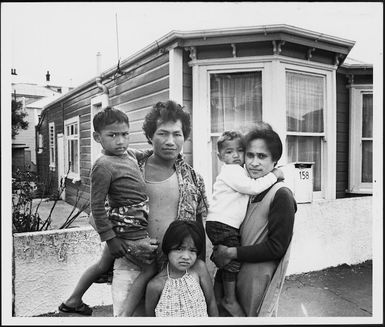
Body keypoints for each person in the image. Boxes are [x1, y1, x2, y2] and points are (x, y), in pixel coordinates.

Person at [111, 100, 208, 316]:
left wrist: (197, 268)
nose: (170, 141)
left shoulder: (193, 179)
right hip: (131, 266)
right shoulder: (128, 171)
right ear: (150, 136)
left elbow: (199, 228)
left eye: (177, 134)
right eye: (163, 133)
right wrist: (129, 245)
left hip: (175, 271)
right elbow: (98, 217)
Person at [59, 107, 157, 317]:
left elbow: (143, 153)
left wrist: (158, 147)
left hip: (133, 220)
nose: (120, 141)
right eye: (112, 135)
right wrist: (111, 240)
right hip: (128, 224)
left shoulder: (128, 153)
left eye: (124, 134)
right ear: (97, 137)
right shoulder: (103, 166)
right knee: (150, 269)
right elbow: (96, 206)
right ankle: (125, 316)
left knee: (103, 264)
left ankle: (73, 299)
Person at [211, 122, 297, 317]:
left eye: (262, 156)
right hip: (236, 275)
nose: (254, 162)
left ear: (275, 161)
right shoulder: (246, 189)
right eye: (250, 155)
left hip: (258, 281)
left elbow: (277, 247)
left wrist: (231, 252)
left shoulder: (281, 194)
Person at [145, 220, 218, 317]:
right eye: (179, 249)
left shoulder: (199, 268)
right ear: (168, 247)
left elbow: (211, 302)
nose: (186, 257)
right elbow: (150, 320)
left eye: (192, 250)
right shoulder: (155, 285)